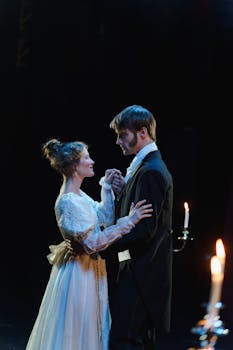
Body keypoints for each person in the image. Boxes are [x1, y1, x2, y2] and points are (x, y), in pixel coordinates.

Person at [25, 138, 153, 350]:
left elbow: (102, 217)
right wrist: (129, 221)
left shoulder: (78, 195)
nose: (92, 161)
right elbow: (93, 243)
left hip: (88, 270)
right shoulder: (68, 201)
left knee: (89, 327)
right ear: (75, 165)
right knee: (77, 328)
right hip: (78, 274)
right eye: (87, 158)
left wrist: (106, 187)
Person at [101, 104, 174, 349]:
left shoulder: (151, 171)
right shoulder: (144, 168)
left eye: (123, 135)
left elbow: (144, 231)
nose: (118, 141)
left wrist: (102, 243)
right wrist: (123, 194)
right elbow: (137, 216)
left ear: (142, 133)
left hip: (141, 276)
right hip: (136, 271)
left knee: (127, 341)